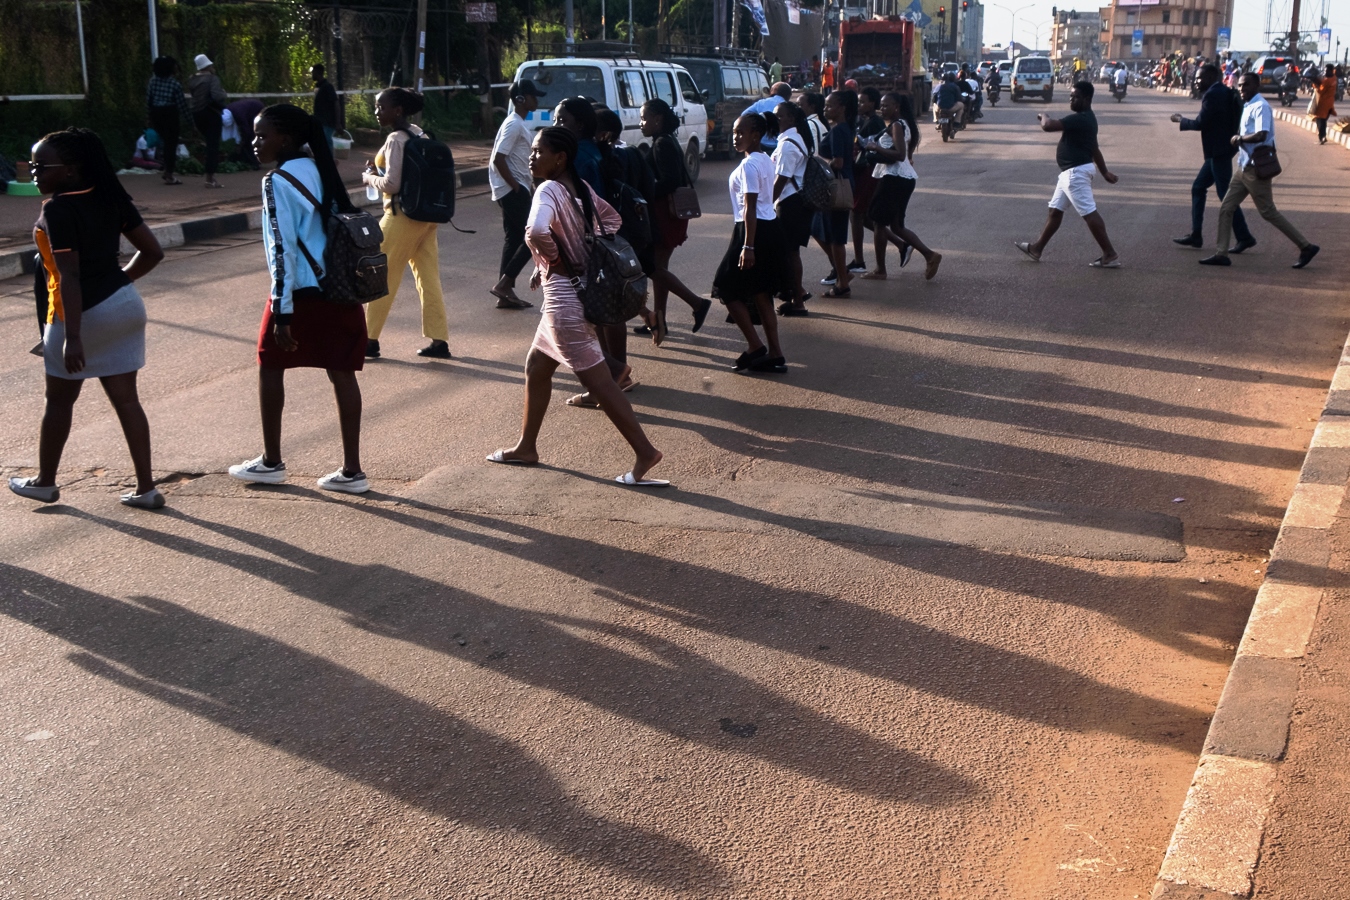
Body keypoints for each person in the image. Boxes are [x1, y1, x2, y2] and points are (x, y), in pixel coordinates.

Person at [486, 127, 666, 487]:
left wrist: (552, 260)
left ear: (560, 158)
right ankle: (526, 446)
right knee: (537, 366)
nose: (532, 158)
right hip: (572, 295)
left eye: (538, 152)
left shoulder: (548, 189)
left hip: (564, 302)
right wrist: (574, 255)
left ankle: (645, 452)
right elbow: (612, 221)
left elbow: (536, 232)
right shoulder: (581, 189)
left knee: (601, 383)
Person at [11, 128, 167, 509]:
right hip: (125, 305)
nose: (34, 172)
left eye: (41, 165)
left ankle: (45, 482)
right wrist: (118, 285)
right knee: (127, 401)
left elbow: (70, 275)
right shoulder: (112, 197)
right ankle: (147, 489)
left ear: (71, 170)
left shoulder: (58, 208)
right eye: (32, 165)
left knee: (59, 403)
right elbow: (152, 252)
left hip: (77, 315)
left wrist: (73, 337)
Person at [228, 104, 370, 494]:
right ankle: (353, 471)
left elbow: (281, 250)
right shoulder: (316, 166)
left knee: (270, 365)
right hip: (339, 285)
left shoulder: (277, 181)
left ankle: (271, 462)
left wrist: (281, 310)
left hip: (302, 292)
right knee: (341, 371)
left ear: (285, 139)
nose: (254, 142)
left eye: (261, 135)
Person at [361, 88, 451, 360]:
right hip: (426, 218)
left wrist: (368, 178)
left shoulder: (395, 139)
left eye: (381, 107)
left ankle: (368, 340)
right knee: (428, 278)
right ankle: (439, 341)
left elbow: (392, 184)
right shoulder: (418, 133)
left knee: (380, 277)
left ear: (397, 110)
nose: (377, 112)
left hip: (400, 216)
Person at [1202, 73, 1319, 269]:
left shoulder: (1261, 107)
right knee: (1226, 207)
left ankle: (1306, 246)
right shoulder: (1248, 105)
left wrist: (1240, 139)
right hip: (1243, 167)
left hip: (1256, 170)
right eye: (1240, 86)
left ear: (1257, 86)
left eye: (1246, 85)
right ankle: (1221, 253)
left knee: (1268, 212)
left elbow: (1261, 134)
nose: (1242, 89)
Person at [713, 114, 790, 374]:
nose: (736, 137)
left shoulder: (748, 166)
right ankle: (775, 353)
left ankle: (756, 346)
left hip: (752, 230)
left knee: (725, 285)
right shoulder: (765, 159)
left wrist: (748, 246)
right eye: (734, 133)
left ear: (755, 135)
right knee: (760, 293)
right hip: (770, 228)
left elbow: (750, 206)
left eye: (741, 133)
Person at [1013, 82, 1119, 267]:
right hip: (1070, 174)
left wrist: (1043, 114)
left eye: (1076, 96)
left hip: (1075, 174)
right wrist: (1104, 172)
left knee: (1089, 213)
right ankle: (1037, 248)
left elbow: (1048, 126)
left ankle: (1109, 253)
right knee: (1055, 211)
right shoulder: (1088, 119)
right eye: (1071, 96)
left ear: (1087, 99)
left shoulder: (1081, 119)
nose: (1071, 99)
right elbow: (1094, 148)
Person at [636, 98, 713, 343]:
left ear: (657, 119)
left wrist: (645, 192)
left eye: (644, 118)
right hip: (669, 215)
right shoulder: (665, 141)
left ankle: (697, 303)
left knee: (655, 269)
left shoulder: (661, 144)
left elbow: (670, 181)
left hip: (664, 215)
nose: (641, 123)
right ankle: (660, 321)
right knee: (659, 270)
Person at [1169, 63, 1254, 252]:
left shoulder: (1213, 94)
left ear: (1210, 77)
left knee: (1226, 196)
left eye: (1199, 78)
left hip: (1219, 151)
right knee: (1199, 187)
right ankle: (1196, 234)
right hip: (1221, 150)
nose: (1196, 81)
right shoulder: (1222, 91)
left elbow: (1201, 122)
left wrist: (1181, 120)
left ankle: (1244, 236)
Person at [860, 93, 942, 281]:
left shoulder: (897, 125)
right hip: (901, 178)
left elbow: (899, 154)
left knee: (879, 223)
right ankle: (930, 255)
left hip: (894, 177)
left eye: (886, 105)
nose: (883, 108)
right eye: (881, 105)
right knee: (896, 226)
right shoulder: (903, 124)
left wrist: (875, 148)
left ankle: (881, 269)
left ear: (896, 107)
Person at [489, 79, 546, 310]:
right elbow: (498, 158)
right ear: (521, 99)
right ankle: (504, 284)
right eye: (533, 97)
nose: (536, 100)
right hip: (512, 189)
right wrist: (515, 186)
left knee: (514, 238)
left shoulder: (517, 123)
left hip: (514, 188)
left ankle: (505, 293)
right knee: (532, 237)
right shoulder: (513, 124)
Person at [811, 89, 857, 299]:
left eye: (830, 105)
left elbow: (838, 162)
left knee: (836, 238)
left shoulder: (839, 131)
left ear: (842, 108)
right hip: (843, 185)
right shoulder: (844, 128)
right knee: (824, 232)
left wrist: (819, 159)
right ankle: (842, 275)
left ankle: (842, 282)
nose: (826, 109)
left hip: (836, 189)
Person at [771, 100, 815, 314]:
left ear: (791, 118)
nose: (776, 119)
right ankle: (796, 292)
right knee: (789, 252)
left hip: (791, 203)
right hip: (794, 202)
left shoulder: (789, 144)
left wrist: (766, 202)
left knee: (790, 253)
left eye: (779, 116)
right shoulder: (794, 138)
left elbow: (781, 179)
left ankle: (798, 300)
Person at [848, 86, 885, 274]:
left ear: (872, 103)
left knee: (857, 214)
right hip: (860, 169)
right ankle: (902, 244)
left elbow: (867, 145)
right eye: (858, 101)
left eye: (863, 101)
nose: (860, 105)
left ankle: (859, 260)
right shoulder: (862, 120)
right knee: (863, 217)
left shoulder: (876, 123)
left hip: (868, 170)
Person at [145, 56, 190, 186]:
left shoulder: (152, 82)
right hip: (170, 114)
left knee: (165, 143)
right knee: (171, 144)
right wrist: (191, 123)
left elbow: (148, 100)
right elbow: (182, 105)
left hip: (156, 114)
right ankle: (169, 174)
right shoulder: (175, 84)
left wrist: (148, 117)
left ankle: (167, 170)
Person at [552, 98, 605, 196]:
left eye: (562, 120)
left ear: (579, 124)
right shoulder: (590, 147)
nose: (555, 125)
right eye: (554, 120)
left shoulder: (577, 156)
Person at [188, 54, 226, 189]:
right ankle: (210, 178)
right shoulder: (212, 79)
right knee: (213, 145)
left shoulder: (192, 80)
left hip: (197, 114)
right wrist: (223, 94)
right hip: (211, 114)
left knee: (208, 143)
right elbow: (217, 96)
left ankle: (209, 176)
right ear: (208, 66)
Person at [745, 82, 794, 151]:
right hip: (781, 146)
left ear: (774, 91)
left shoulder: (761, 103)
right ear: (789, 96)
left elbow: (744, 116)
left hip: (762, 145)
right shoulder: (790, 108)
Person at [224, 98, 264, 168]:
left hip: (256, 110)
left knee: (250, 139)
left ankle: (254, 163)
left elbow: (246, 131)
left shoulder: (238, 115)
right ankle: (250, 160)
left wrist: (241, 143)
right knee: (249, 138)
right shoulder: (229, 110)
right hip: (249, 110)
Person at [311, 64, 341, 149]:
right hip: (320, 123)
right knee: (321, 145)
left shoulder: (327, 86)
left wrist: (338, 123)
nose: (312, 74)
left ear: (317, 72)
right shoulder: (318, 87)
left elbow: (336, 103)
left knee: (326, 144)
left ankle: (329, 161)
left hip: (327, 123)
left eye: (313, 72)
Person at [1310, 65, 1338, 144]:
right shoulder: (1334, 78)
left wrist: (1315, 84)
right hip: (1330, 103)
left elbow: (1320, 91)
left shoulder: (1326, 81)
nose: (1325, 72)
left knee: (1320, 120)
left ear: (1331, 70)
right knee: (1323, 121)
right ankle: (1323, 137)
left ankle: (1322, 137)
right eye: (1325, 70)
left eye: (1327, 71)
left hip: (1323, 104)